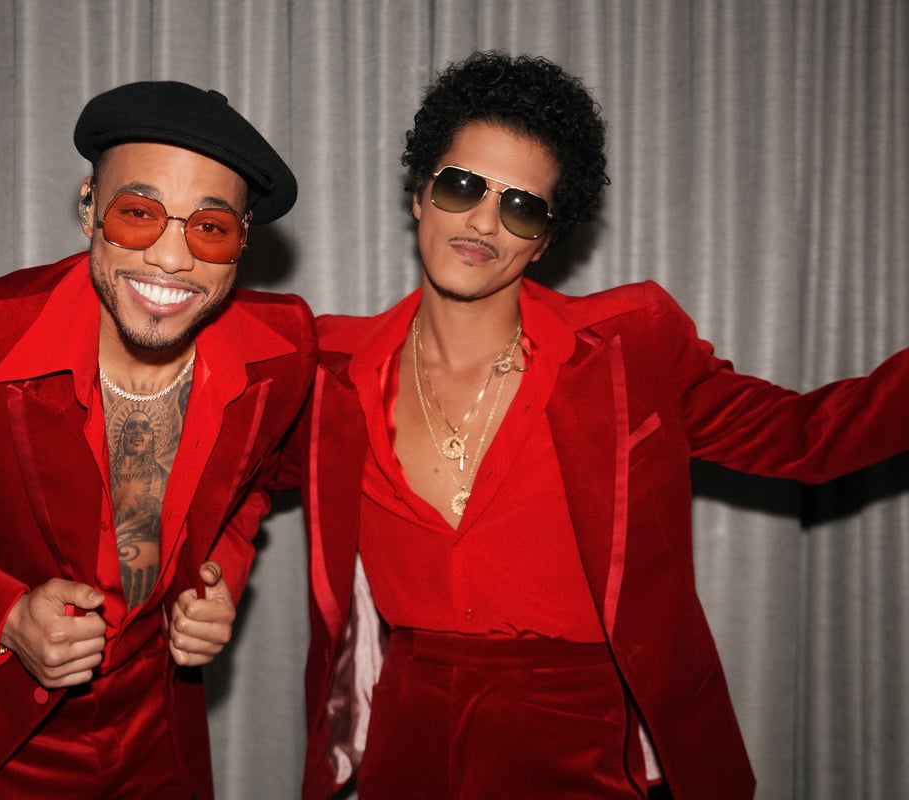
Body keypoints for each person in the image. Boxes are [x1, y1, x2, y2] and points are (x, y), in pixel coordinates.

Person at [291, 52, 909, 800]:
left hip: (580, 748)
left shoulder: (628, 350)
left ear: (544, 239)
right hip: (409, 742)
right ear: (420, 194)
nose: (484, 221)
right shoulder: (330, 369)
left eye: (521, 206)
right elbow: (224, 467)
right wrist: (215, 573)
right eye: (461, 187)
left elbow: (809, 437)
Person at [0, 81, 315, 800]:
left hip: (153, 741)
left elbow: (256, 481)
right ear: (88, 208)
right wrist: (4, 616)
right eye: (139, 215)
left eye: (209, 228)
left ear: (241, 245)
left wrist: (218, 574)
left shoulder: (282, 349)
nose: (171, 260)